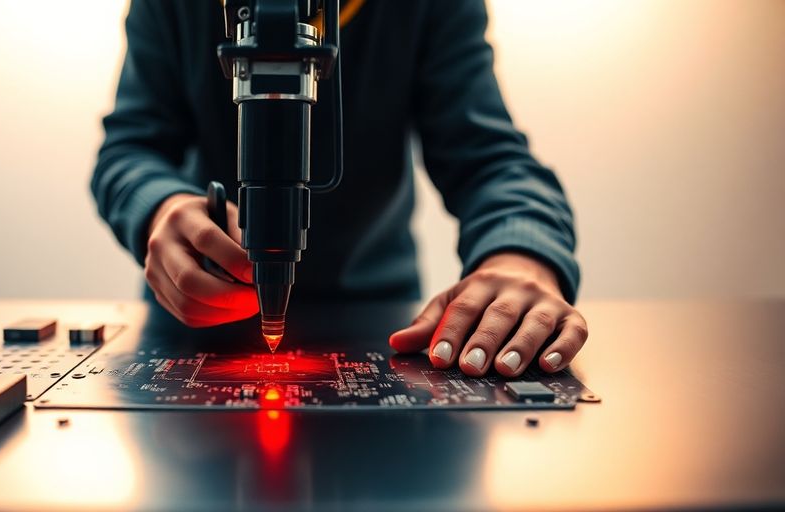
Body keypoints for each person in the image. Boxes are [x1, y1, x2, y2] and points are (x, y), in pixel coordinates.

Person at [91, 0, 587, 378]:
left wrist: (520, 257)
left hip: (381, 324)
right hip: (194, 331)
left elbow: (492, 161)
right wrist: (161, 207)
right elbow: (129, 151)